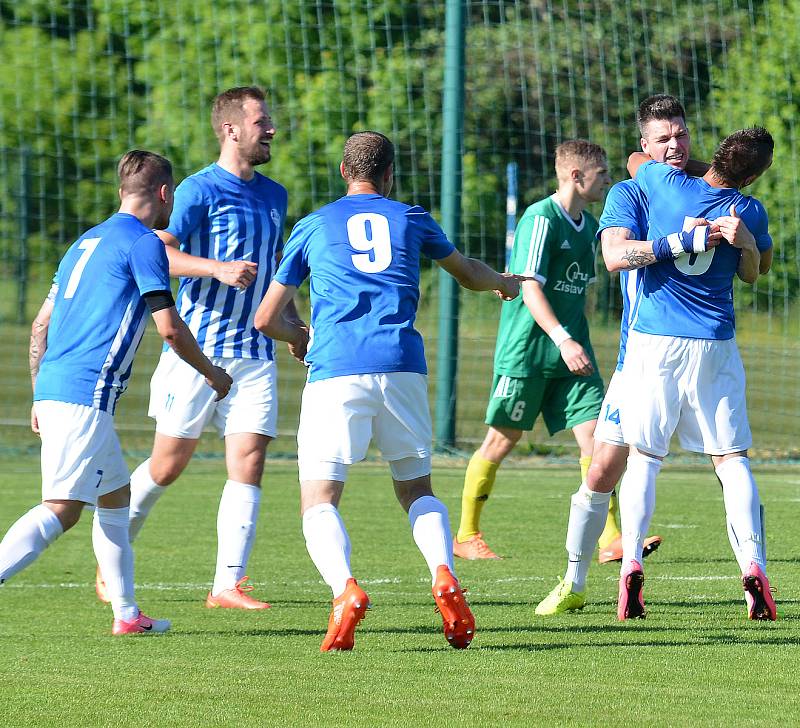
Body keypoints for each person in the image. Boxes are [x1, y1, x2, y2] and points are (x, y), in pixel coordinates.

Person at [254, 131, 522, 651]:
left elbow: (267, 317)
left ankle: (345, 590)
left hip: (336, 368)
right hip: (401, 365)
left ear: (342, 171)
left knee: (320, 497)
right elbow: (467, 273)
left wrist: (299, 337)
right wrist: (505, 283)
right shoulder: (411, 218)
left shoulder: (313, 225)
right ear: (390, 174)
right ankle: (444, 574)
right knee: (416, 489)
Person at [0, 150, 232, 634]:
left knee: (115, 496)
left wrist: (40, 394)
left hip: (63, 390)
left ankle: (127, 615)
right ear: (165, 193)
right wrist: (212, 374)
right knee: (61, 510)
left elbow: (39, 327)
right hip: (85, 392)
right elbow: (169, 329)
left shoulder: (84, 242)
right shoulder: (145, 244)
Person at [98, 87, 297, 610]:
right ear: (231, 129)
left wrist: (294, 328)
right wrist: (216, 269)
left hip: (254, 352)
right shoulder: (197, 190)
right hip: (198, 353)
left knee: (250, 459)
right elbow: (158, 253)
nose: (270, 128)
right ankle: (109, 556)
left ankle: (227, 584)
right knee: (167, 465)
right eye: (261, 120)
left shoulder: (275, 195)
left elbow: (275, 274)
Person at [535, 94, 706, 615]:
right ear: (645, 144)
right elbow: (615, 252)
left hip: (701, 351)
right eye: (663, 137)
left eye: (681, 133)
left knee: (728, 462)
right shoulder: (635, 190)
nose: (674, 144)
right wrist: (674, 240)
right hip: (639, 360)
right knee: (602, 471)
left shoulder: (709, 191)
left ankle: (751, 568)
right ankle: (575, 581)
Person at [616, 127, 776, 621]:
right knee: (731, 458)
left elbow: (634, 160)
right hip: (714, 341)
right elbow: (756, 271)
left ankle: (632, 564)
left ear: (716, 153)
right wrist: (747, 244)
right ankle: (752, 564)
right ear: (752, 175)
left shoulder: (666, 183)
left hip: (655, 339)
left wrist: (662, 155)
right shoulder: (747, 212)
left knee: (644, 454)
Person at [453, 140, 611, 560]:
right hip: (528, 352)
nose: (608, 181)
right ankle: (466, 535)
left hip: (574, 354)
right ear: (576, 176)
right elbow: (528, 286)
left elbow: (582, 292)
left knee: (598, 439)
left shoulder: (591, 225)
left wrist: (576, 338)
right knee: (502, 440)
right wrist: (563, 338)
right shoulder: (541, 218)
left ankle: (610, 538)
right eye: (602, 174)